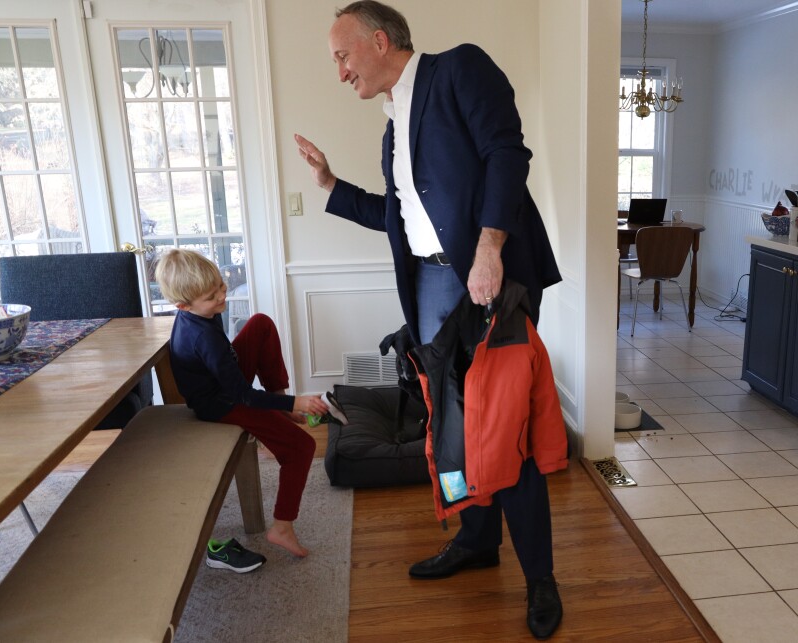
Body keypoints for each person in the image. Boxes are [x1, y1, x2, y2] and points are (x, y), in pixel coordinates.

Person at [295, 1, 564, 638]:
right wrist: (332, 185)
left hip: (484, 280)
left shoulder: (459, 71)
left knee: (507, 436)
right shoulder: (394, 126)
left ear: (380, 40)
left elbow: (507, 154)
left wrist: (490, 248)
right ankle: (477, 541)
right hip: (431, 290)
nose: (339, 72)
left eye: (342, 55)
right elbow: (399, 217)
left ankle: (542, 580)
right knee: (455, 431)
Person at [155, 249, 329, 559]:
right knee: (301, 447)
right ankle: (282, 526)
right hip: (220, 403)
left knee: (260, 323)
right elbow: (242, 396)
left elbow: (227, 365)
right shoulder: (201, 338)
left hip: (223, 379)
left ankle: (276, 400)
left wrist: (279, 401)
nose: (222, 296)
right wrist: (296, 402)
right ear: (182, 306)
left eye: (221, 286)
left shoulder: (200, 312)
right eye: (212, 296)